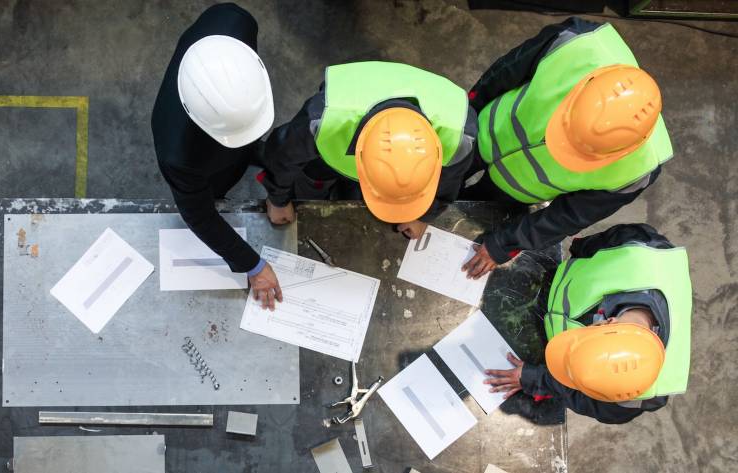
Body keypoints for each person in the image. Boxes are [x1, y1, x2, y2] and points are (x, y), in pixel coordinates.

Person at [460, 18, 673, 279]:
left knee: (471, 211)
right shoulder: (576, 44)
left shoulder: (638, 170)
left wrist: (503, 244)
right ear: (579, 92)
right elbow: (504, 72)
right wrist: (466, 117)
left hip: (517, 189)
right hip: (486, 128)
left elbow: (566, 217)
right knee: (447, 173)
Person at [484, 224, 691, 424]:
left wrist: (535, 378)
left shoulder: (635, 395)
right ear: (607, 321)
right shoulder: (639, 248)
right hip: (550, 283)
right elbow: (589, 246)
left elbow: (587, 399)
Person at [152, 3, 282, 309]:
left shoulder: (235, 21)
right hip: (202, 159)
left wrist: (280, 190)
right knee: (215, 190)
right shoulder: (178, 155)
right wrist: (254, 265)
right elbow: (200, 215)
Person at [260, 61, 475, 236]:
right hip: (328, 151)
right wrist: (278, 200)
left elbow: (449, 183)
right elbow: (281, 157)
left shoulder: (459, 137)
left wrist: (422, 215)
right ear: (357, 157)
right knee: (311, 184)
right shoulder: (323, 121)